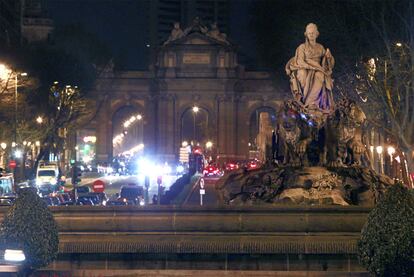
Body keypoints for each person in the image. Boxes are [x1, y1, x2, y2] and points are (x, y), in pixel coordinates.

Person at [285, 23, 335, 113]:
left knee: (320, 75)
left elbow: (327, 64)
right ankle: (305, 100)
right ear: (306, 34)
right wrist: (311, 67)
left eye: (313, 33)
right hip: (305, 67)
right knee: (302, 73)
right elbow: (300, 61)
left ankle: (310, 102)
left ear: (317, 34)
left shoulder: (320, 47)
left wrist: (328, 57)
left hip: (318, 69)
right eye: (309, 33)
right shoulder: (302, 47)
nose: (311, 35)